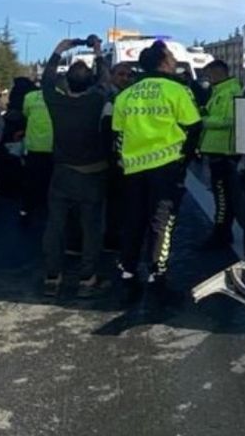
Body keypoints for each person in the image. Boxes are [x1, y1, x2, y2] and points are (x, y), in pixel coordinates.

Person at [113, 42, 201, 292]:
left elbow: (117, 134)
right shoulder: (177, 90)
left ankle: (127, 268)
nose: (174, 61)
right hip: (166, 166)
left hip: (132, 167)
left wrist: (122, 159)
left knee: (132, 218)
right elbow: (193, 125)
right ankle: (156, 272)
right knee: (161, 221)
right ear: (163, 61)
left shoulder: (127, 93)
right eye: (172, 57)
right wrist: (185, 157)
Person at [40, 39, 113, 298]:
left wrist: (59, 50)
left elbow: (46, 81)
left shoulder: (55, 101)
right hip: (92, 172)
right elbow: (106, 79)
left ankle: (52, 275)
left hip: (62, 172)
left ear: (66, 82)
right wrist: (97, 53)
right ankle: (87, 277)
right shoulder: (95, 101)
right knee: (91, 227)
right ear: (90, 82)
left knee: (55, 225)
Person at [199, 60, 240, 249]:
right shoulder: (220, 91)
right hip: (216, 150)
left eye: (210, 75)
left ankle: (221, 234)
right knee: (221, 197)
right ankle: (222, 232)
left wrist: (204, 120)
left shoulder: (230, 92)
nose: (208, 79)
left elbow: (232, 120)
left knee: (223, 198)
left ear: (218, 73)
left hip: (224, 152)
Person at [100, 62, 135, 252]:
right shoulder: (109, 98)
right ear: (112, 76)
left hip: (133, 158)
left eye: (129, 75)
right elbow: (106, 132)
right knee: (114, 202)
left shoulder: (132, 96)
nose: (125, 78)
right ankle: (112, 237)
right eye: (121, 74)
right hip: (115, 159)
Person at [21, 83, 54, 225]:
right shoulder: (61, 96)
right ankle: (49, 209)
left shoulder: (30, 97)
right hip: (54, 146)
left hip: (33, 146)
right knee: (51, 181)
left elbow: (26, 114)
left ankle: (26, 209)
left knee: (30, 180)